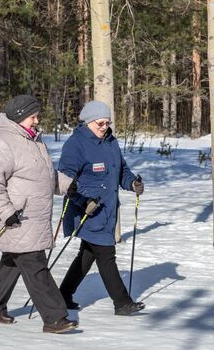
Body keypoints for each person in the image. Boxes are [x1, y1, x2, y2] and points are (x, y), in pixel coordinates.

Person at [0, 94, 78, 333]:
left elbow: (43, 174)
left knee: (13, 263)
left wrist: (64, 185)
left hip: (32, 216)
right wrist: (5, 212)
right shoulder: (2, 142)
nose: (36, 121)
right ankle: (55, 318)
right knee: (35, 265)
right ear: (19, 116)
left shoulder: (32, 140)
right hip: (17, 218)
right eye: (32, 116)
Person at [57, 100, 146, 316]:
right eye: (100, 123)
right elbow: (65, 181)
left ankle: (62, 296)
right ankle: (122, 303)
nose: (104, 127)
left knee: (87, 255)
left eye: (107, 123)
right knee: (106, 254)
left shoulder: (110, 141)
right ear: (88, 122)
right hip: (87, 211)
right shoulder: (75, 144)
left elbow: (121, 169)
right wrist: (83, 201)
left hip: (107, 211)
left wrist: (132, 182)